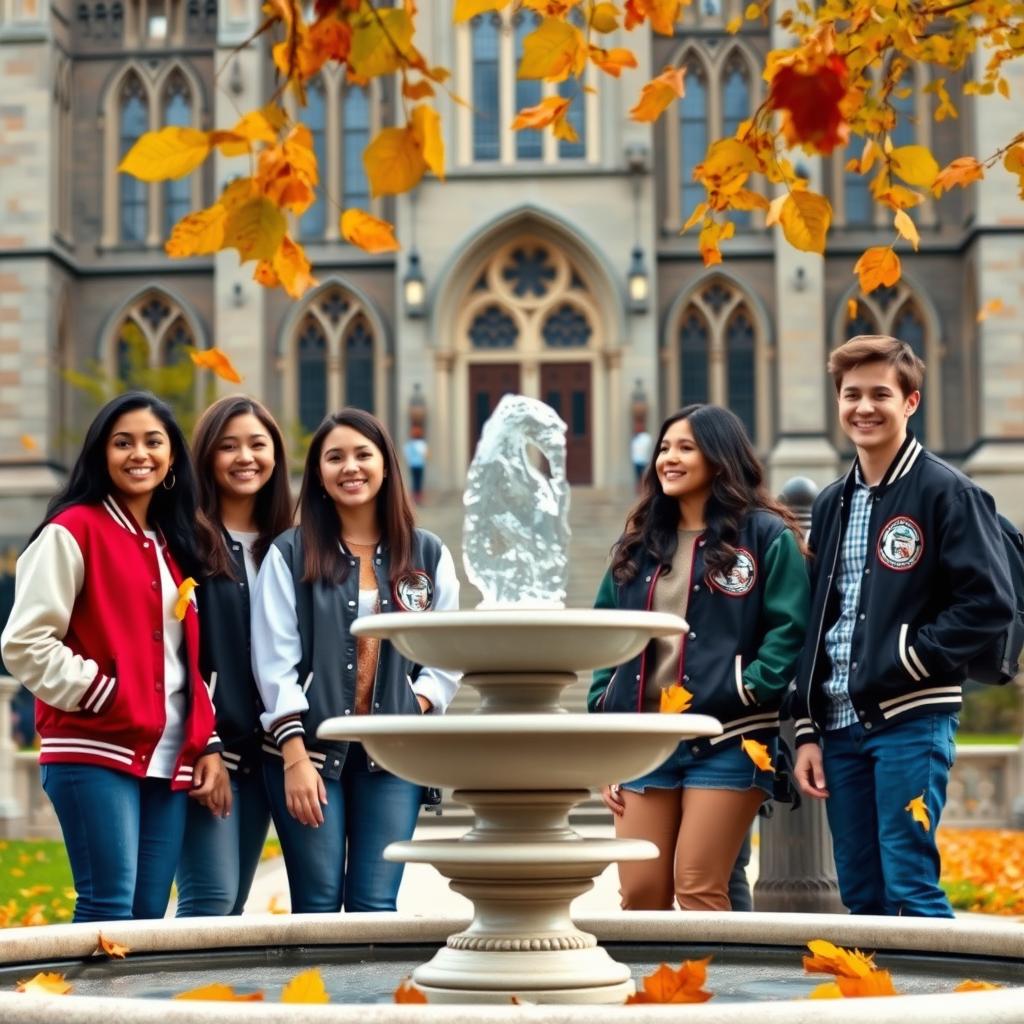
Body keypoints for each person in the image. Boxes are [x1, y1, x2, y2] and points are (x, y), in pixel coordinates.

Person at [792, 335, 1014, 917]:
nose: (864, 407)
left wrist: (907, 657)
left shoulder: (947, 491)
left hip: (910, 722)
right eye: (851, 394)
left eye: (880, 394)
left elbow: (990, 603)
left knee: (910, 883)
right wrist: (808, 728)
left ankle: (942, 1007)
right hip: (838, 726)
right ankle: (877, 1006)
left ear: (910, 401)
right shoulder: (831, 503)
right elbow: (822, 619)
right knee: (860, 892)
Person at [0, 391, 226, 922]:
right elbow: (24, 643)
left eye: (153, 441)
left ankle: (130, 1010)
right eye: (122, 443)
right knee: (107, 909)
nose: (138, 454)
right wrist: (104, 692)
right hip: (93, 750)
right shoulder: (72, 531)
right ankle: (81, 1011)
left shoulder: (172, 544)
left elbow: (181, 661)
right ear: (102, 453)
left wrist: (204, 740)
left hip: (167, 757)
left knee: (147, 919)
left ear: (172, 458)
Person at [588, 404, 809, 911]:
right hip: (643, 744)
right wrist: (603, 721)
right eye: (664, 448)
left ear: (719, 457)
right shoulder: (638, 545)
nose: (669, 457)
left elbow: (789, 631)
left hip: (728, 738)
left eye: (685, 447)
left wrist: (743, 691)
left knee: (698, 886)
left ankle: (711, 991)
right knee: (641, 895)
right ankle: (656, 990)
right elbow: (605, 638)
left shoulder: (765, 537)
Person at [251, 408, 460, 913]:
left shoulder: (427, 554)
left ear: (386, 465)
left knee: (376, 904)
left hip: (392, 761)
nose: (351, 467)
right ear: (319, 473)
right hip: (310, 757)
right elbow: (274, 660)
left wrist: (416, 703)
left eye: (363, 454)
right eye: (335, 457)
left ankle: (368, 998)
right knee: (317, 902)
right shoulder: (291, 552)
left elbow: (447, 653)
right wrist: (294, 757)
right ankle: (315, 995)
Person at [175, 396, 294, 917]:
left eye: (257, 444)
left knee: (233, 904)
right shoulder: (185, 544)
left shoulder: (291, 545)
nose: (245, 457)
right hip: (211, 750)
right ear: (207, 457)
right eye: (228, 446)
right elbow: (177, 655)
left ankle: (205, 1000)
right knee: (210, 899)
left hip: (268, 756)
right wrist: (205, 744)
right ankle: (161, 1001)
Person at [403, 429, 428, 504]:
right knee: (419, 481)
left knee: (414, 481)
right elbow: (425, 454)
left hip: (412, 465)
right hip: (420, 465)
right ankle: (418, 497)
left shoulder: (409, 444)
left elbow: (406, 454)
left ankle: (415, 497)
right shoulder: (421, 444)